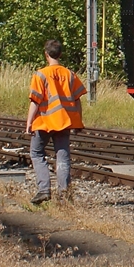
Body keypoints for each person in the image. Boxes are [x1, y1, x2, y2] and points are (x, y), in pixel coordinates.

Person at [26, 39, 85, 204]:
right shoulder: (70, 74)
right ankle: (64, 193)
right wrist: (78, 121)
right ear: (61, 54)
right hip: (64, 121)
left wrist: (29, 122)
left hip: (44, 121)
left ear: (46, 54)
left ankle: (44, 189)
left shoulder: (40, 74)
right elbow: (78, 99)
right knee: (63, 156)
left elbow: (35, 101)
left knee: (36, 153)